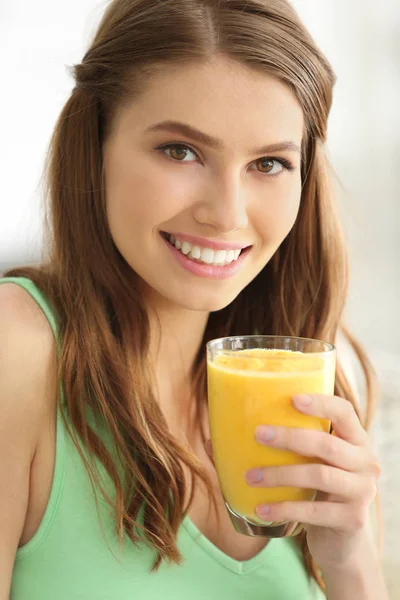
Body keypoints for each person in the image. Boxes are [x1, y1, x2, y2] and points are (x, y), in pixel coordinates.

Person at [0, 0, 388, 598]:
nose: (227, 214)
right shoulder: (16, 351)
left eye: (269, 163)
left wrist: (352, 562)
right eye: (180, 151)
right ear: (95, 144)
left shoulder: (306, 386)